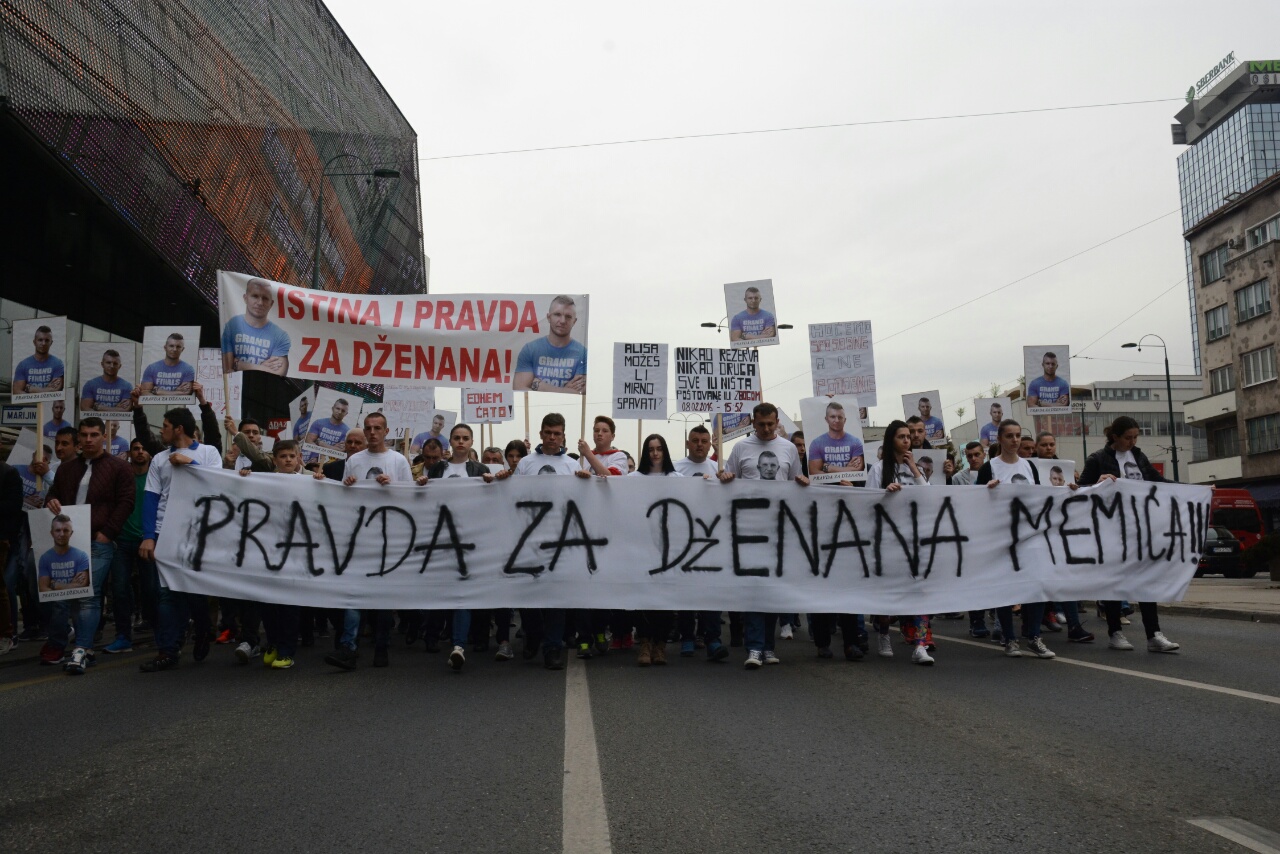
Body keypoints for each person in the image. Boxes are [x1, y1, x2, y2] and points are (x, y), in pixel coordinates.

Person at [325, 412, 423, 671]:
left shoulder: (398, 460)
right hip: (359, 536)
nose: (372, 433)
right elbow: (346, 498)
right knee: (354, 595)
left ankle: (381, 645)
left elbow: (410, 499)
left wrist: (392, 486)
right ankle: (349, 648)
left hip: (388, 538)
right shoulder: (355, 460)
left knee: (381, 598)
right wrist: (347, 486)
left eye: (377, 428)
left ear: (386, 431)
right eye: (368, 428)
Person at [1078, 415, 1180, 653]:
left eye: (1136, 437)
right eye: (1128, 438)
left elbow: (1159, 482)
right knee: (1116, 582)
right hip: (1111, 530)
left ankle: (1154, 634)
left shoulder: (1139, 457)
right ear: (1115, 437)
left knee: (1147, 581)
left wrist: (1196, 489)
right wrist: (1098, 483)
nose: (1133, 442)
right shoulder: (1098, 459)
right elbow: (1080, 490)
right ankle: (1115, 632)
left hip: (1140, 528)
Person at [40, 417, 135, 675]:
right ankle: (87, 649)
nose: (89, 440)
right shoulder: (66, 469)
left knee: (88, 594)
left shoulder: (119, 468)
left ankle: (80, 649)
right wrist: (51, 501)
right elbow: (54, 494)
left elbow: (126, 502)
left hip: (99, 541)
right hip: (69, 542)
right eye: (84, 435)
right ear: (79, 438)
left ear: (104, 436)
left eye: (94, 434)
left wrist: (108, 533)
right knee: (70, 595)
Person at [718, 402, 808, 669]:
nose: (766, 429)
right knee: (755, 589)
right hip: (748, 529)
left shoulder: (789, 448)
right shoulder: (741, 448)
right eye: (761, 425)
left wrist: (803, 481)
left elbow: (797, 483)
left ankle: (768, 646)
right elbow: (726, 475)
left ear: (777, 421)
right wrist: (724, 476)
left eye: (771, 424)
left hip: (778, 530)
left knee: (772, 591)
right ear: (753, 423)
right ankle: (755, 647)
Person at [494, 413, 589, 669]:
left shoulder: (572, 465)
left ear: (563, 435)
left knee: (556, 596)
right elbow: (514, 497)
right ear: (540, 433)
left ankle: (552, 648)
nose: (552, 437)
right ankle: (533, 635)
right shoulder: (526, 463)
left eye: (557, 433)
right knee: (529, 594)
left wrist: (585, 483)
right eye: (548, 432)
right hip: (529, 539)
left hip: (560, 540)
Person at [137, 408, 224, 672]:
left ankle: (202, 628)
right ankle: (168, 649)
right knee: (165, 593)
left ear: (178, 429)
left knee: (193, 589)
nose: (160, 430)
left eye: (164, 426)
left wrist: (191, 464)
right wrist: (149, 537)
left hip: (197, 532)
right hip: (166, 532)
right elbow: (151, 499)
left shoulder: (208, 453)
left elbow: (219, 486)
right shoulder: (159, 459)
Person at [974, 419, 1055, 660]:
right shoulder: (990, 468)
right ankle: (1009, 638)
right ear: (1000, 439)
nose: (1015, 440)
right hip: (1002, 535)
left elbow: (1039, 497)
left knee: (1036, 585)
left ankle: (1033, 636)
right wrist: (987, 490)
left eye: (1018, 435)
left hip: (1029, 534)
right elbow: (975, 502)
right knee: (1006, 588)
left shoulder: (1029, 466)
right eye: (1009, 436)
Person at [421, 423, 495, 671]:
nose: (461, 442)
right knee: (441, 591)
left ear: (472, 442)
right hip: (441, 539)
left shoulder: (480, 469)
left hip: (469, 540)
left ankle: (458, 645)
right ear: (449, 442)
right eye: (456, 438)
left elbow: (491, 502)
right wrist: (422, 484)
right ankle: (432, 636)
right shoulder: (437, 469)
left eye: (465, 438)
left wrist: (491, 483)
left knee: (462, 593)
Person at [866, 420, 935, 665]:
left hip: (913, 540)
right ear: (890, 440)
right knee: (888, 594)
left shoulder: (915, 468)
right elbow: (868, 503)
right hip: (888, 542)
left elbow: (928, 497)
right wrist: (885, 491)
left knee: (918, 593)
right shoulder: (877, 469)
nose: (907, 440)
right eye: (901, 437)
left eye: (908, 436)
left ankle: (920, 645)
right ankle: (883, 633)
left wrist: (914, 470)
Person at [672, 424, 728, 660]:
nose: (699, 445)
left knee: (710, 592)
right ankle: (687, 637)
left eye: (704, 441)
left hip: (711, 539)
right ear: (687, 443)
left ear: (710, 444)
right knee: (687, 592)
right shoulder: (675, 468)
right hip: (684, 539)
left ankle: (712, 638)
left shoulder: (719, 467)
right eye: (695, 440)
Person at [628, 434, 683, 667]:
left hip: (670, 550)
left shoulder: (677, 478)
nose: (655, 454)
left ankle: (661, 644)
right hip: (643, 547)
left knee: (665, 600)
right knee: (644, 599)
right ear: (645, 452)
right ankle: (645, 642)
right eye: (650, 449)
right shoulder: (634, 478)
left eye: (659, 449)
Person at [100, 437, 155, 654]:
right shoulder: (122, 477)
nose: (140, 452)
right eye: (136, 449)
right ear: (129, 453)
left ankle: (160, 630)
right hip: (122, 540)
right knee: (120, 589)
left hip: (147, 540)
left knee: (151, 590)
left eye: (143, 448)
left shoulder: (155, 477)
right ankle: (123, 635)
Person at [513, 295, 587, 393]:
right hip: (535, 408)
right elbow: (519, 389)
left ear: (574, 321)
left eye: (568, 317)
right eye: (557, 314)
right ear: (548, 317)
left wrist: (540, 386)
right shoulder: (530, 349)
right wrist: (565, 390)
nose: (563, 321)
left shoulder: (583, 354)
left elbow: (579, 394)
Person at [221, 276, 291, 374]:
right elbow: (227, 369)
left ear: (271, 303)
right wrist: (261, 368)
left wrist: (239, 364)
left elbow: (278, 374)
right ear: (245, 298)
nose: (260, 302)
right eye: (255, 296)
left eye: (265, 298)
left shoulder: (281, 336)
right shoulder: (232, 325)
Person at [807, 401, 864, 477]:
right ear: (826, 419)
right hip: (825, 488)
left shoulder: (855, 442)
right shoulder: (816, 443)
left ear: (845, 420)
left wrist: (830, 468)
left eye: (840, 417)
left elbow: (858, 470)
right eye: (833, 417)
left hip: (849, 486)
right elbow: (814, 472)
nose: (837, 420)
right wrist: (846, 469)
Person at [138, 333, 195, 398]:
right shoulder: (151, 368)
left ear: (182, 349)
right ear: (165, 347)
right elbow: (145, 393)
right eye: (171, 346)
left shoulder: (188, 369)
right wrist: (175, 391)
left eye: (178, 347)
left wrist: (160, 392)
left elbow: (186, 393)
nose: (174, 349)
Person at [12, 324, 64, 395]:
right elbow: (17, 392)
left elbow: (55, 391)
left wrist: (31, 389)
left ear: (51, 343)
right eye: (40, 340)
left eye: (47, 340)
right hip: (30, 406)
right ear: (34, 342)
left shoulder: (58, 364)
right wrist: (45, 390)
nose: (43, 343)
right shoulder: (23, 365)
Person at [80, 349, 134, 414]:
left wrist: (100, 407)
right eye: (108, 362)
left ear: (119, 366)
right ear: (102, 364)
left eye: (115, 363)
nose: (111, 366)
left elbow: (125, 411)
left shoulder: (127, 386)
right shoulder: (90, 385)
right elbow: (85, 410)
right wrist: (115, 409)